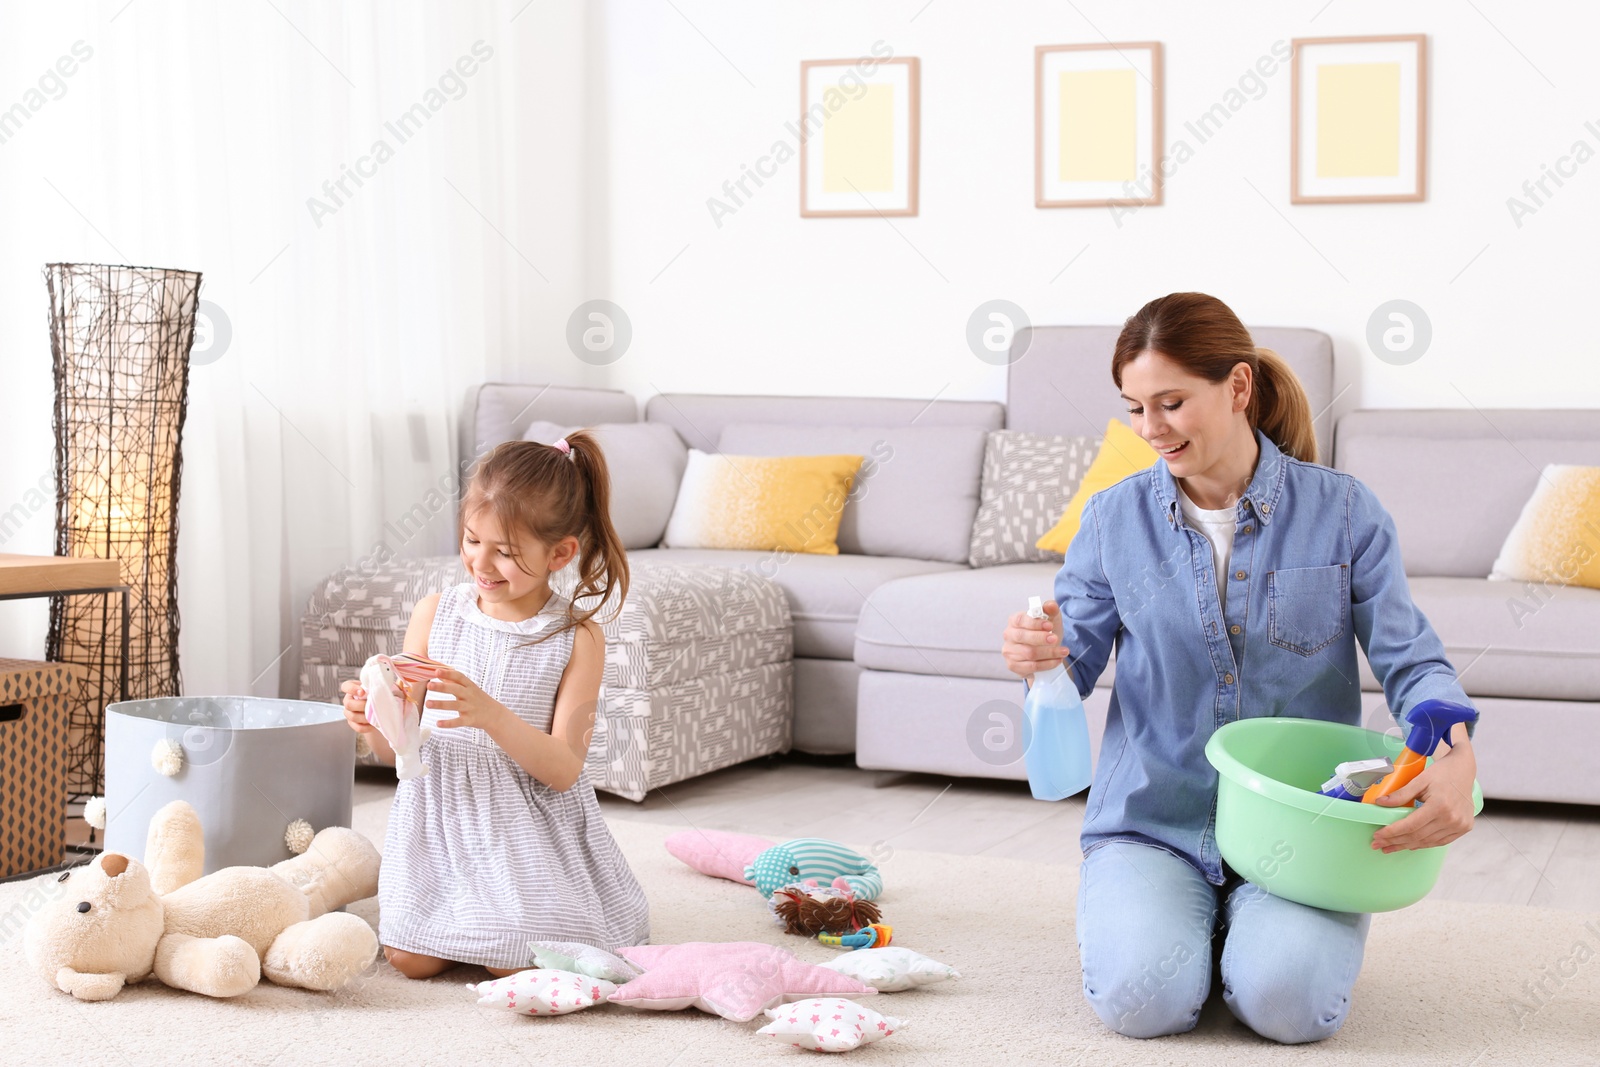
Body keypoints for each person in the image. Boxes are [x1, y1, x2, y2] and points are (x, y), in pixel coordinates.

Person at [999, 293, 1478, 1042]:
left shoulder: (1345, 513)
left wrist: (1451, 744)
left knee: (1290, 1007)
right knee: (1140, 1002)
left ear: (1239, 387)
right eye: (1134, 407)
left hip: (1302, 825)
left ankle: (1250, 938)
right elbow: (1075, 659)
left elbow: (1411, 657)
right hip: (1153, 821)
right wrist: (1042, 656)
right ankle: (1183, 924)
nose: (1150, 429)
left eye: (1171, 402)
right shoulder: (1112, 518)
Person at [340, 431, 650, 978]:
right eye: (471, 540)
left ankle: (530, 920)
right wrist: (372, 722)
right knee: (410, 960)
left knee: (513, 962)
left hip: (523, 830)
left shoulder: (577, 636)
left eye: (505, 552)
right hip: (440, 820)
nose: (481, 563)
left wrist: (492, 716)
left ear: (560, 553)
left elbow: (563, 770)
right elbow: (401, 754)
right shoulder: (436, 612)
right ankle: (455, 915)